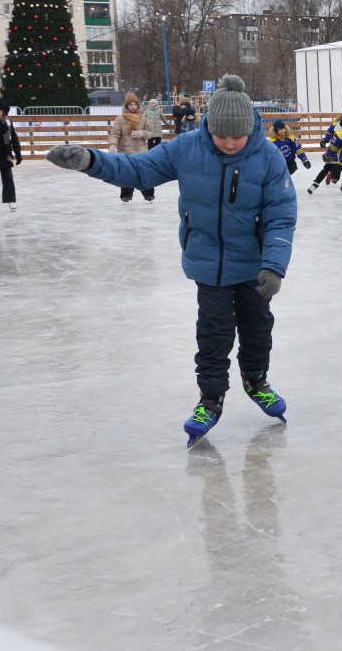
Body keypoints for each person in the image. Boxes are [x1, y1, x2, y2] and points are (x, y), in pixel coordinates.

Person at [43, 75, 295, 446]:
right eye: (221, 135)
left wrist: (274, 266)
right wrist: (90, 160)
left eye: (236, 137)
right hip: (207, 262)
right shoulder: (188, 148)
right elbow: (138, 169)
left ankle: (256, 380)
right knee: (213, 334)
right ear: (209, 126)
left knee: (258, 330)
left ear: (250, 128)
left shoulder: (268, 158)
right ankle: (211, 399)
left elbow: (281, 215)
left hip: (254, 266)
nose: (227, 143)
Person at [108, 92, 156, 203]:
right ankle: (126, 195)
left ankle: (149, 194)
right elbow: (114, 134)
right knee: (126, 173)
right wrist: (112, 144)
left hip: (141, 151)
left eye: (135, 104)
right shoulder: (120, 119)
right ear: (126, 106)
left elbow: (150, 132)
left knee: (144, 173)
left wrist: (142, 133)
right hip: (125, 151)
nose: (133, 106)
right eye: (131, 104)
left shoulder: (143, 118)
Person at [306, 107, 342, 194]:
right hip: (334, 153)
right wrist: (324, 140)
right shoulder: (336, 127)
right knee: (326, 168)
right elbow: (329, 134)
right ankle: (315, 184)